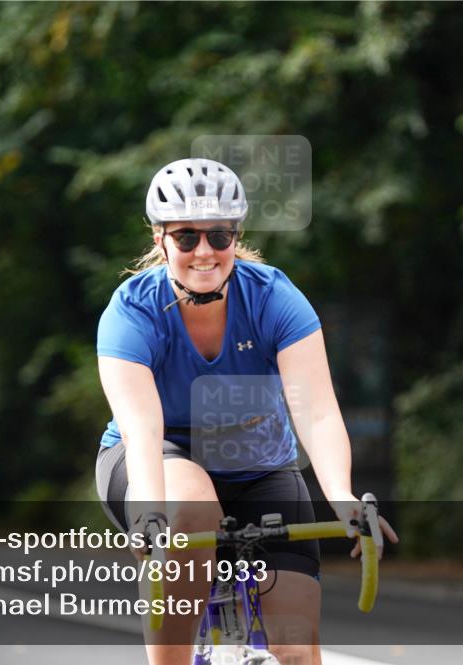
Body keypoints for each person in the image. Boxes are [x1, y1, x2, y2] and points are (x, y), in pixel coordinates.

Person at [96, 158, 396, 665]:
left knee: (298, 649)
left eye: (219, 235)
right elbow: (142, 430)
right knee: (191, 504)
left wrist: (341, 496)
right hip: (160, 456)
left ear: (237, 235)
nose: (205, 251)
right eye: (186, 238)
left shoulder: (275, 296)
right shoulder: (131, 311)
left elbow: (317, 413)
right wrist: (150, 513)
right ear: (159, 239)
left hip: (259, 464)